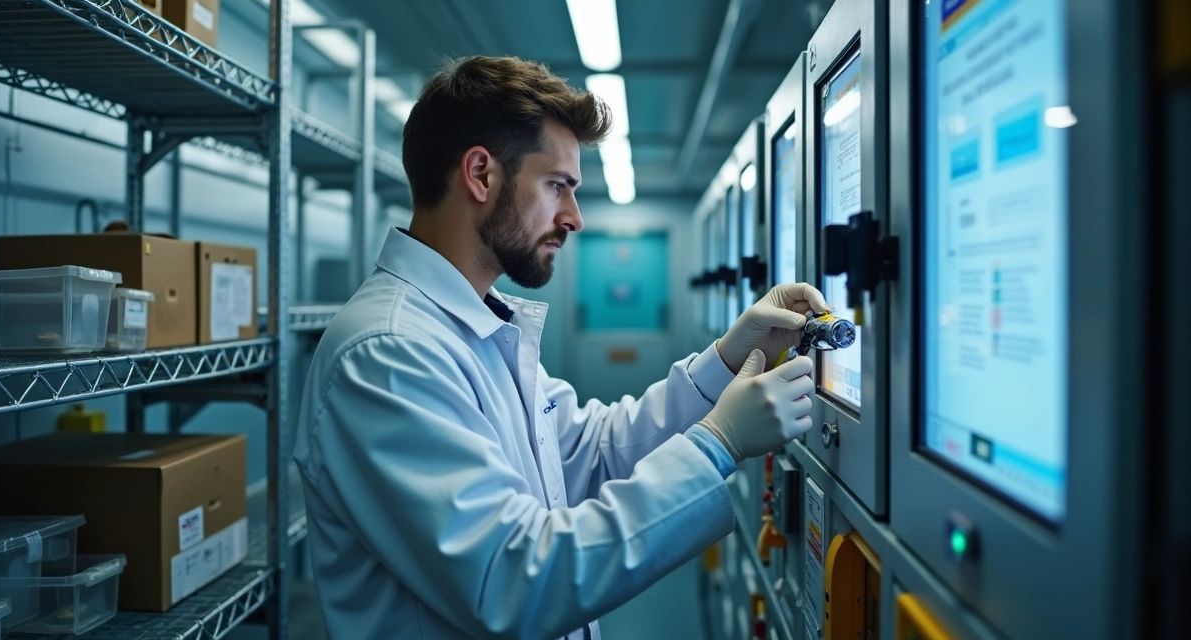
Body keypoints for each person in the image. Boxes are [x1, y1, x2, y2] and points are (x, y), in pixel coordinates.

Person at [293, 55, 827, 640]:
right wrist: (716, 445)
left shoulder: (469, 327)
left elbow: (590, 452)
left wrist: (724, 361)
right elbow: (513, 580)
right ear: (481, 174)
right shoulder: (388, 353)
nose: (573, 217)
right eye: (558, 186)